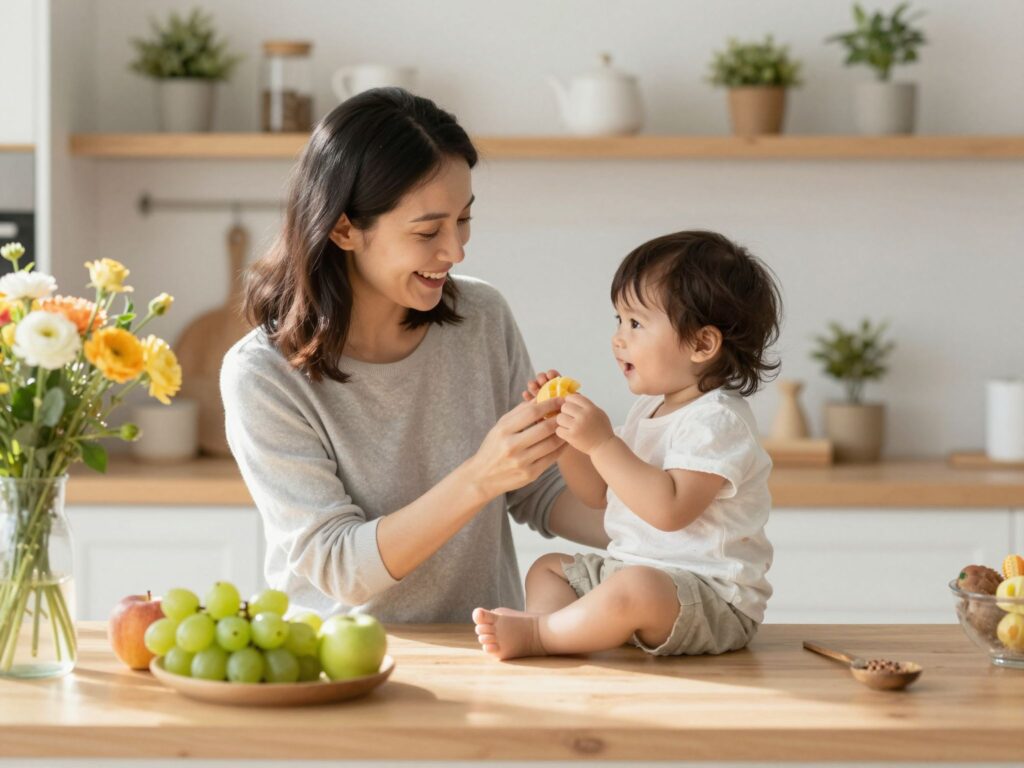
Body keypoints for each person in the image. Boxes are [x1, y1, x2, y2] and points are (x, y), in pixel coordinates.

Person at [221, 88, 607, 622]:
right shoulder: (262, 375)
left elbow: (540, 493)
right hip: (338, 669)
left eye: (463, 220)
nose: (455, 250)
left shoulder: (482, 317)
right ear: (343, 228)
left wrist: (661, 505)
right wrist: (480, 476)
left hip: (484, 654)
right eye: (428, 231)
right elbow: (337, 566)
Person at [473, 230, 782, 659]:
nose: (619, 338)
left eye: (636, 323)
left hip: (710, 598)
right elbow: (598, 495)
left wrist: (601, 443)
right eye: (618, 320)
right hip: (638, 577)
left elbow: (669, 511)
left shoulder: (718, 420)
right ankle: (556, 628)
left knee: (635, 589)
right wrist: (569, 443)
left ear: (702, 343)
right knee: (549, 569)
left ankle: (543, 636)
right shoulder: (649, 410)